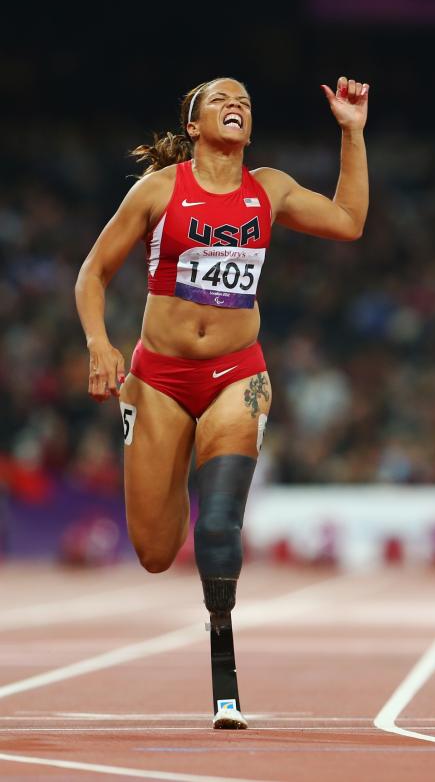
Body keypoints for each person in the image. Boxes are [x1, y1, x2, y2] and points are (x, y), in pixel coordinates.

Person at [74, 75, 369, 727]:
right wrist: (100, 342)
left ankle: (224, 676)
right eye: (221, 99)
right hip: (157, 379)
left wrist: (351, 132)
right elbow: (93, 273)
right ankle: (168, 466)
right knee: (155, 551)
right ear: (193, 123)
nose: (236, 105)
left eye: (245, 102)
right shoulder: (158, 190)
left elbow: (348, 222)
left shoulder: (270, 188)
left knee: (218, 528)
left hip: (239, 372)